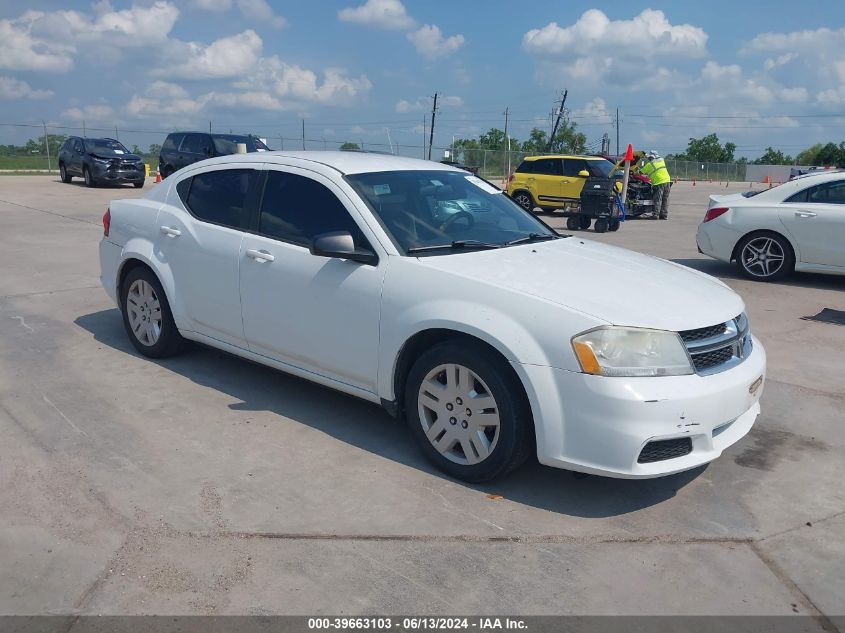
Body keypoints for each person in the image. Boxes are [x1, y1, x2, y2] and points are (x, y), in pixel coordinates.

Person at [640, 150, 672, 220]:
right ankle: (664, 215)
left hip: (659, 182)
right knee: (665, 199)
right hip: (667, 180)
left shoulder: (649, 165)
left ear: (651, 157)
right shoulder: (662, 161)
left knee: (658, 199)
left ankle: (656, 214)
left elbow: (640, 172)